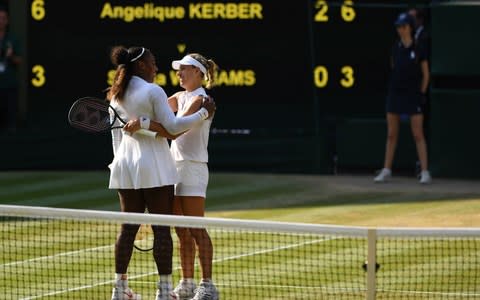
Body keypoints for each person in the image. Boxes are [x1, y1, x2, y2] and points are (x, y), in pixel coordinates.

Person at [107, 45, 215, 300]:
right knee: (175, 230)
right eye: (178, 69)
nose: (177, 72)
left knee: (193, 229)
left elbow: (170, 129)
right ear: (142, 65)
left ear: (199, 73)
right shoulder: (171, 95)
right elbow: (167, 124)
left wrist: (142, 124)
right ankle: (179, 285)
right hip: (164, 167)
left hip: (186, 167)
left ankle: (206, 285)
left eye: (185, 69)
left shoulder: (201, 100)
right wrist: (143, 122)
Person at [374, 12, 432, 184]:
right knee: (391, 134)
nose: (400, 30)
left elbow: (426, 75)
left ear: (409, 28)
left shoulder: (419, 48)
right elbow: (394, 68)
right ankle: (386, 170)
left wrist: (421, 93)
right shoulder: (395, 48)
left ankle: (425, 171)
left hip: (413, 95)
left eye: (403, 26)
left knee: (418, 134)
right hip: (395, 94)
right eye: (398, 27)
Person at [0, 6, 21, 132]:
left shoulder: (13, 39)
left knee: (11, 125)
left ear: (7, 21)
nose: (0, 21)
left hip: (9, 84)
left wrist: (11, 55)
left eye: (3, 18)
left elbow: (19, 61)